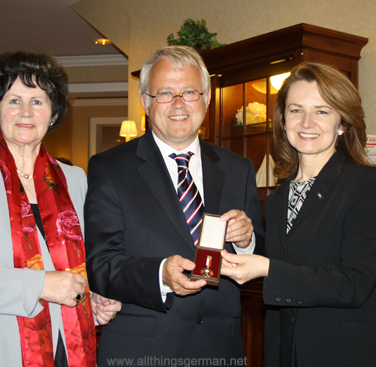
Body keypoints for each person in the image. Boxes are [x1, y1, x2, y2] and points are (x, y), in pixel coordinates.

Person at [0, 51, 121, 367]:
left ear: (54, 114)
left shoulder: (74, 179)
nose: (26, 112)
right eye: (14, 100)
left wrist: (92, 300)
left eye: (38, 101)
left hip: (68, 351)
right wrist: (40, 285)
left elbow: (75, 268)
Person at [84, 45, 265, 364]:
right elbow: (100, 264)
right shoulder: (110, 168)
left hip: (221, 350)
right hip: (142, 352)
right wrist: (159, 275)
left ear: (206, 99)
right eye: (165, 93)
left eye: (190, 92)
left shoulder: (239, 168)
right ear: (146, 102)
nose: (179, 104)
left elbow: (263, 255)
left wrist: (248, 240)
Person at [220, 62, 376, 366]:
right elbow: (291, 262)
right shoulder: (279, 197)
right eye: (296, 110)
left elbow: (354, 283)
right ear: (282, 120)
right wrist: (246, 241)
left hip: (352, 354)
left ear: (342, 123)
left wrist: (266, 268)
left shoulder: (368, 183)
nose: (306, 122)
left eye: (321, 111)